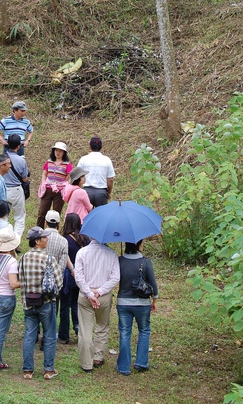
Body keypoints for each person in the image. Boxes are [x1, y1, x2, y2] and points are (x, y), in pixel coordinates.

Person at [18, 226, 63, 381]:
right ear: (37, 241)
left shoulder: (23, 258)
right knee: (49, 335)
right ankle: (48, 370)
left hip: (28, 302)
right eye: (44, 237)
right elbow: (59, 282)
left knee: (29, 335)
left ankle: (27, 370)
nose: (47, 239)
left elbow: (21, 279)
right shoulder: (49, 259)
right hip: (46, 302)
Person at [74, 237, 120, 372]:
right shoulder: (111, 254)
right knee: (102, 325)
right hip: (103, 296)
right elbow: (115, 277)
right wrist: (99, 292)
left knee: (85, 329)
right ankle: (98, 357)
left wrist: (89, 293)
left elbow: (79, 277)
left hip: (85, 295)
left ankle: (86, 363)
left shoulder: (82, 252)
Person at [116, 240, 158, 375]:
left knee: (124, 332)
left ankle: (123, 366)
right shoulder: (146, 262)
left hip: (123, 302)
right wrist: (155, 300)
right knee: (144, 331)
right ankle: (141, 362)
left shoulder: (119, 261)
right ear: (138, 245)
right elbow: (153, 284)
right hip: (142, 303)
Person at [0, 227, 21, 370]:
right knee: (0, 331)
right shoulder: (11, 262)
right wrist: (28, 282)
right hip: (6, 298)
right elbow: (13, 284)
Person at [58, 213, 90, 344]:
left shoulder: (64, 239)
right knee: (77, 304)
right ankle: (79, 329)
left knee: (64, 305)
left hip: (68, 274)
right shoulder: (85, 239)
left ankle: (64, 335)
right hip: (82, 275)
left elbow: (64, 257)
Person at [37, 142, 73, 228]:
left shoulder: (67, 164)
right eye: (56, 150)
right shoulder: (49, 162)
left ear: (64, 153)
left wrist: (65, 185)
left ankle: (54, 230)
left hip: (59, 191)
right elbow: (45, 173)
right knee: (42, 212)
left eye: (60, 151)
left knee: (56, 213)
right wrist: (43, 182)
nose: (58, 153)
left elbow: (70, 177)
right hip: (48, 189)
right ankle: (39, 230)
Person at [3, 133, 29, 237]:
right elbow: (24, 178)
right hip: (16, 190)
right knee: (19, 217)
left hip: (3, 189)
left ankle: (4, 237)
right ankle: (16, 240)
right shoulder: (21, 160)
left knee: (4, 216)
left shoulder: (2, 159)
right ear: (18, 146)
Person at [77, 137, 115, 207]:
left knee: (87, 216)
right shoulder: (107, 160)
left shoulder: (83, 159)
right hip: (101, 192)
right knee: (101, 216)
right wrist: (108, 192)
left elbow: (77, 176)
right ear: (101, 147)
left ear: (90, 147)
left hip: (87, 192)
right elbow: (110, 179)